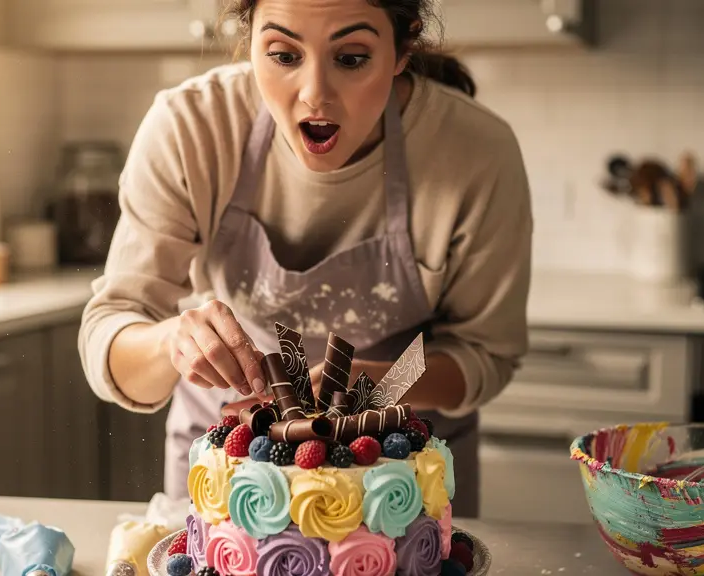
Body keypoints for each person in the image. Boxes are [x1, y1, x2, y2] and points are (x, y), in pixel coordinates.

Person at [78, 0, 533, 518]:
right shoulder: (192, 128)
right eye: (283, 54)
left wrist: (377, 388)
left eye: (352, 57)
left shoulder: (476, 152)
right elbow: (108, 335)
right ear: (248, 42)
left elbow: (484, 353)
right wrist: (172, 342)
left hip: (400, 478)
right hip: (233, 464)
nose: (315, 93)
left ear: (403, 48)